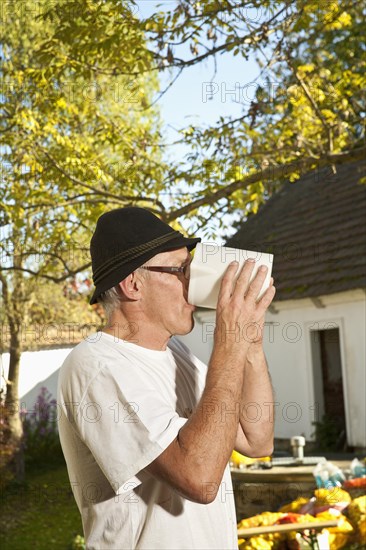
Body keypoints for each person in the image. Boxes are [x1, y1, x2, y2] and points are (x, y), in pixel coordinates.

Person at [57, 207, 276, 550]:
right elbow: (200, 479)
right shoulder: (97, 366)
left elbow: (256, 439)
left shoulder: (178, 354)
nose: (193, 286)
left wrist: (249, 344)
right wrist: (229, 345)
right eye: (180, 271)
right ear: (133, 284)